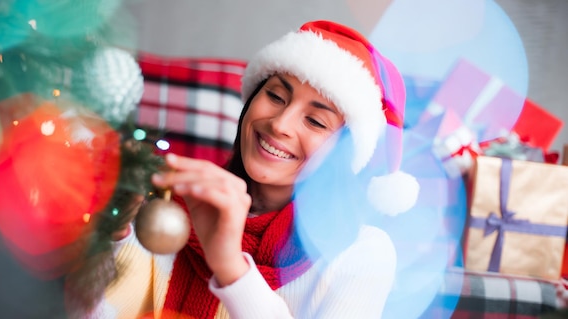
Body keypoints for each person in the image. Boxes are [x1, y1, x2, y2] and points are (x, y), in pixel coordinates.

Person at [73, 19, 419, 319]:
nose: (280, 123)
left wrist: (231, 268)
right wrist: (113, 233)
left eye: (315, 120)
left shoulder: (361, 253)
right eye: (276, 96)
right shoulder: (170, 210)